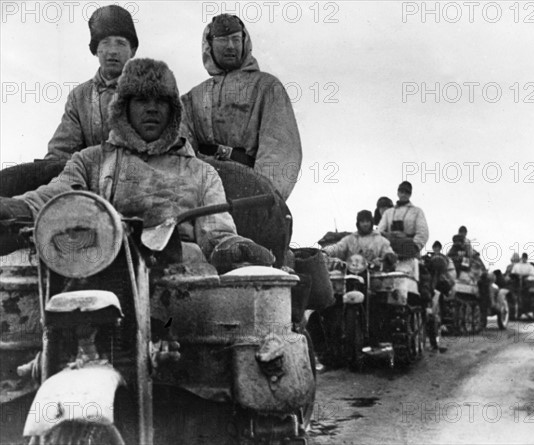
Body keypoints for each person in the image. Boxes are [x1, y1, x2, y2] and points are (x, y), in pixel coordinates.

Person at [0, 58, 273, 272]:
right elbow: (54, 197)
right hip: (104, 271)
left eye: (160, 101)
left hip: (181, 280)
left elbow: (217, 235)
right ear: (124, 108)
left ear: (173, 111)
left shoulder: (202, 173)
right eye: (142, 100)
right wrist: (16, 207)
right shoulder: (92, 160)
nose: (152, 109)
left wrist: (235, 247)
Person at [181, 14, 302, 201]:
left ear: (245, 43)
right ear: (209, 45)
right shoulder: (192, 98)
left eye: (236, 39)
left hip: (248, 189)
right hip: (202, 191)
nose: (230, 46)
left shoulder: (267, 88)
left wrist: (261, 197)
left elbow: (279, 149)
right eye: (223, 40)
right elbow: (181, 149)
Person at [45, 5, 138, 161]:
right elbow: (61, 152)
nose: (112, 50)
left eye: (121, 43)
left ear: (133, 51)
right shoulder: (80, 96)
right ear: (95, 50)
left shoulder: (149, 91)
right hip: (89, 180)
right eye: (105, 43)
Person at [323, 210, 396, 270]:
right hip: (351, 272)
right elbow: (338, 247)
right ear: (358, 223)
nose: (365, 224)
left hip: (374, 273)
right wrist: (326, 251)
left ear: (371, 223)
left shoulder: (380, 240)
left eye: (367, 221)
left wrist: (388, 256)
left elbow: (387, 251)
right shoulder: (350, 239)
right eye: (362, 222)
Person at [378, 181, 429, 259]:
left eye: (407, 192)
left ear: (410, 194)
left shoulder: (417, 211)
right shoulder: (388, 213)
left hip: (409, 252)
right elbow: (380, 232)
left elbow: (423, 232)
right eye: (401, 191)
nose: (404, 194)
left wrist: (414, 247)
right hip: (389, 252)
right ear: (398, 193)